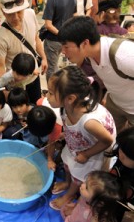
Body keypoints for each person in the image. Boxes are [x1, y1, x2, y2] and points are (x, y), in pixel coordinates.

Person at [46, 66, 116, 210]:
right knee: (66, 163)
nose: (47, 96)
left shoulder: (89, 122)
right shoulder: (67, 106)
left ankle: (71, 193)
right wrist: (66, 134)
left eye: (51, 93)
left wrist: (86, 154)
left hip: (93, 150)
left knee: (79, 176)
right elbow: (68, 124)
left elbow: (107, 141)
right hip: (77, 143)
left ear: (70, 98)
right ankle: (67, 182)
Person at [58, 16, 134, 133]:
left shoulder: (124, 57)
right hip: (115, 102)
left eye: (66, 46)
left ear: (85, 43)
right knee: (110, 136)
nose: (63, 51)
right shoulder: (89, 55)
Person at [0, 0, 47, 104]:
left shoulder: (31, 14)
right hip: (16, 83)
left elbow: (36, 38)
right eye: (10, 14)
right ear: (3, 12)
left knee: (35, 107)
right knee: (19, 113)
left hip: (33, 75)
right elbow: (0, 66)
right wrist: (4, 92)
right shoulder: (0, 37)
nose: (16, 17)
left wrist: (44, 58)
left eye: (19, 12)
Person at [61, 171, 126, 222]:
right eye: (85, 182)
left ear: (100, 203)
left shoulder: (96, 217)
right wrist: (74, 207)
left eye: (86, 188)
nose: (82, 185)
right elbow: (81, 202)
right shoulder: (87, 197)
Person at [42, 0, 77, 81]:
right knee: (55, 66)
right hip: (65, 41)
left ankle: (52, 91)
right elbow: (75, 18)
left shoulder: (52, 0)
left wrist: (61, 34)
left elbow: (48, 25)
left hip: (53, 40)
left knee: (51, 68)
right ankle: (57, 88)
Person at [105, 127, 134, 222]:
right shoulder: (121, 158)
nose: (120, 153)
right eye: (120, 148)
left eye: (126, 155)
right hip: (110, 199)